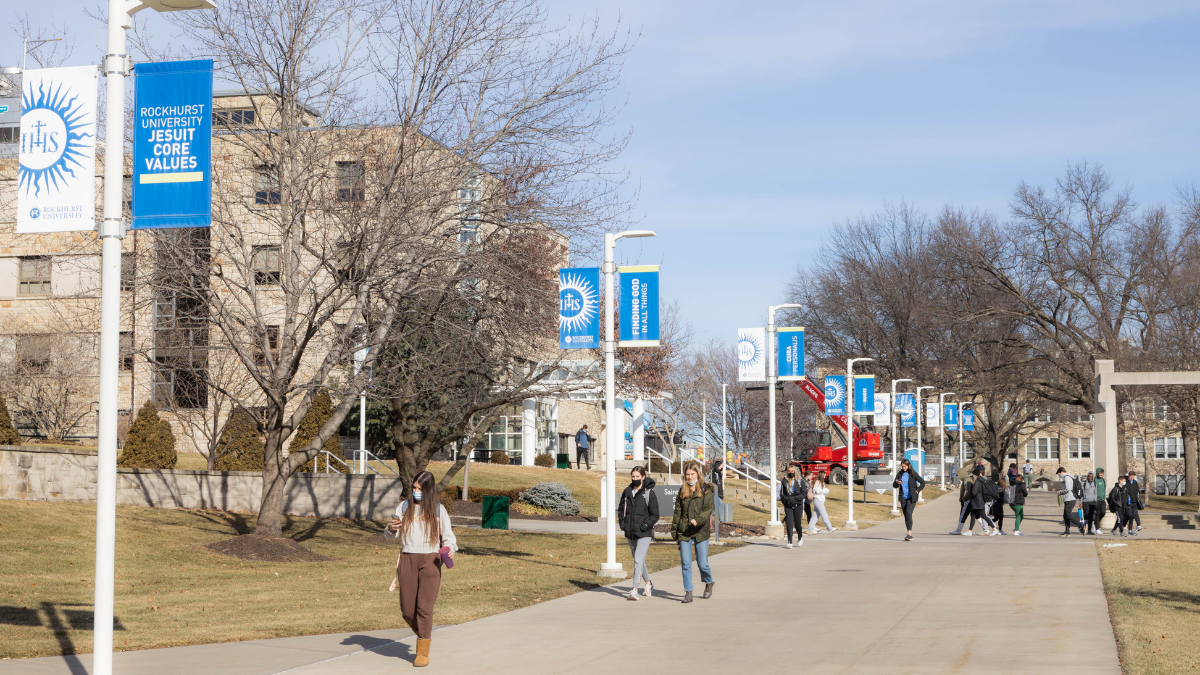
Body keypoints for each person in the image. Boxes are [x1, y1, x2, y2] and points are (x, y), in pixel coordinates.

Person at [385, 471, 456, 668]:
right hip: (407, 558)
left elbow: (449, 537)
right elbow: (390, 534)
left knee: (424, 608)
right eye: (415, 488)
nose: (416, 492)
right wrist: (391, 528)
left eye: (420, 489)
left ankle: (423, 651)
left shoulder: (438, 510)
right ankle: (423, 632)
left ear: (428, 490)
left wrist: (450, 550)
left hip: (431, 560)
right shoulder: (404, 506)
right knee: (407, 610)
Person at [671, 461, 714, 603]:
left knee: (702, 563)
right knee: (686, 563)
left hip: (701, 531)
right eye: (687, 475)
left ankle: (709, 582)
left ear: (697, 474)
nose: (689, 477)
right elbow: (677, 512)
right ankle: (688, 592)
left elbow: (708, 509)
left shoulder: (706, 489)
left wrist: (699, 520)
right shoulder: (682, 491)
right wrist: (675, 531)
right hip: (685, 531)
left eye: (692, 474)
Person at [618, 466, 659, 600]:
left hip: (644, 532)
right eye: (633, 476)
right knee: (639, 560)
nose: (635, 479)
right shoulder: (627, 491)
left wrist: (646, 525)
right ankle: (648, 583)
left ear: (643, 477)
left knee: (637, 560)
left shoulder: (648, 493)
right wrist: (623, 524)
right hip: (630, 531)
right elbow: (620, 510)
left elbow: (655, 514)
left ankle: (634, 589)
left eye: (637, 476)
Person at [893, 458, 925, 541]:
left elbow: (922, 482)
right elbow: (894, 485)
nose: (903, 468)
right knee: (906, 515)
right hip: (903, 498)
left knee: (908, 513)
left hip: (911, 498)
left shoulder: (913, 473)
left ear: (908, 465)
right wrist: (897, 483)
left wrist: (917, 490)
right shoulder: (899, 474)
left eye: (905, 466)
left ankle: (909, 534)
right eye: (902, 466)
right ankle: (908, 532)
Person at [777, 466, 808, 548]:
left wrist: (795, 498)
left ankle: (800, 537)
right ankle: (790, 541)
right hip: (788, 504)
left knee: (797, 523)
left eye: (792, 471)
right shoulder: (784, 481)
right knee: (789, 523)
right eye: (789, 471)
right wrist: (787, 499)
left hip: (798, 504)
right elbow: (782, 494)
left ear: (795, 472)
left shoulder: (800, 481)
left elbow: (803, 494)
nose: (790, 472)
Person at [966, 466, 998, 536]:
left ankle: (994, 529)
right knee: (973, 515)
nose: (972, 476)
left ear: (975, 475)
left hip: (977, 501)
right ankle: (969, 531)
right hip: (978, 501)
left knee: (984, 515)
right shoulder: (981, 481)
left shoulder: (977, 482)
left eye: (973, 475)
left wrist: (970, 496)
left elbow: (974, 492)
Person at [1056, 467, 1084, 537]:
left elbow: (1068, 488)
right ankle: (1067, 531)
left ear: (1062, 472)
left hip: (1070, 498)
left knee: (1068, 514)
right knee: (1065, 515)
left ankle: (1080, 525)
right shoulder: (1069, 477)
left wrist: (1061, 492)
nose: (1060, 476)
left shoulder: (1067, 478)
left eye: (1059, 474)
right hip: (1068, 498)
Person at [949, 467, 978, 535]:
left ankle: (958, 530)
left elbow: (967, 491)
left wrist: (964, 498)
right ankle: (987, 529)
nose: (959, 477)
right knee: (977, 516)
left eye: (959, 475)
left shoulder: (967, 480)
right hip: (969, 501)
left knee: (962, 515)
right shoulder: (967, 479)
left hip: (967, 501)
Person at [1081, 471, 1102, 535]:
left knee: (1091, 516)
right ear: (1087, 477)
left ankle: (1089, 530)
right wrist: (1080, 502)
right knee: (1086, 515)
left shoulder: (1095, 484)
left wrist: (1095, 501)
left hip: (1092, 502)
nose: (1090, 478)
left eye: (1091, 476)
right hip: (1085, 501)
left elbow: (1095, 493)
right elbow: (1081, 494)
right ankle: (1083, 525)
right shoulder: (1083, 483)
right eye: (1089, 476)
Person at [710, 459, 726, 538]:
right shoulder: (714, 473)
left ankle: (711, 522)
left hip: (717, 493)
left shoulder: (718, 474)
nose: (722, 466)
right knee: (720, 505)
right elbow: (713, 484)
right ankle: (722, 520)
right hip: (714, 493)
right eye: (721, 465)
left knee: (713, 508)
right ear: (718, 466)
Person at [1095, 468, 1108, 534]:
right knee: (1097, 513)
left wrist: (1104, 498)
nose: (1101, 474)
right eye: (1100, 473)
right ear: (1097, 473)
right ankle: (1097, 528)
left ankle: (1095, 523)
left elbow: (1104, 489)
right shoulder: (1094, 480)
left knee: (1103, 512)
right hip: (1096, 500)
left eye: (1102, 473)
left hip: (1102, 500)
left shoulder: (1103, 480)